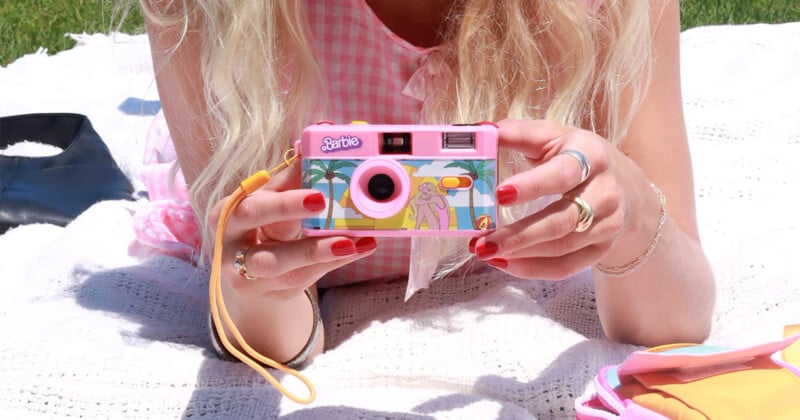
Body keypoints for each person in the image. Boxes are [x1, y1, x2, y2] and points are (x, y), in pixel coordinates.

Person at [136, 0, 716, 370]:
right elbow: (268, 335)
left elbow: (675, 322)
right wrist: (261, 285)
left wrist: (634, 218)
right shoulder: (217, 15)